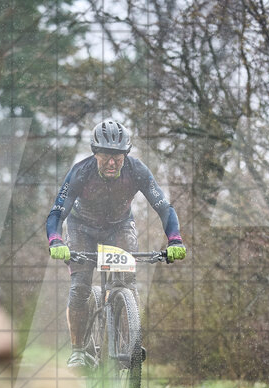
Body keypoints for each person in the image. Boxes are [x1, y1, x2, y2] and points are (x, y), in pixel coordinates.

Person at [47, 120, 186, 369]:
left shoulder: (137, 170)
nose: (112, 162)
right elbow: (57, 211)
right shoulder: (80, 172)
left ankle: (129, 341)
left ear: (126, 155)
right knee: (80, 287)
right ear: (95, 154)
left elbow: (164, 207)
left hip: (119, 227)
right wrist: (56, 240)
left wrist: (174, 239)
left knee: (126, 282)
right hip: (82, 228)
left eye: (118, 157)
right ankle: (78, 351)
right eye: (106, 156)